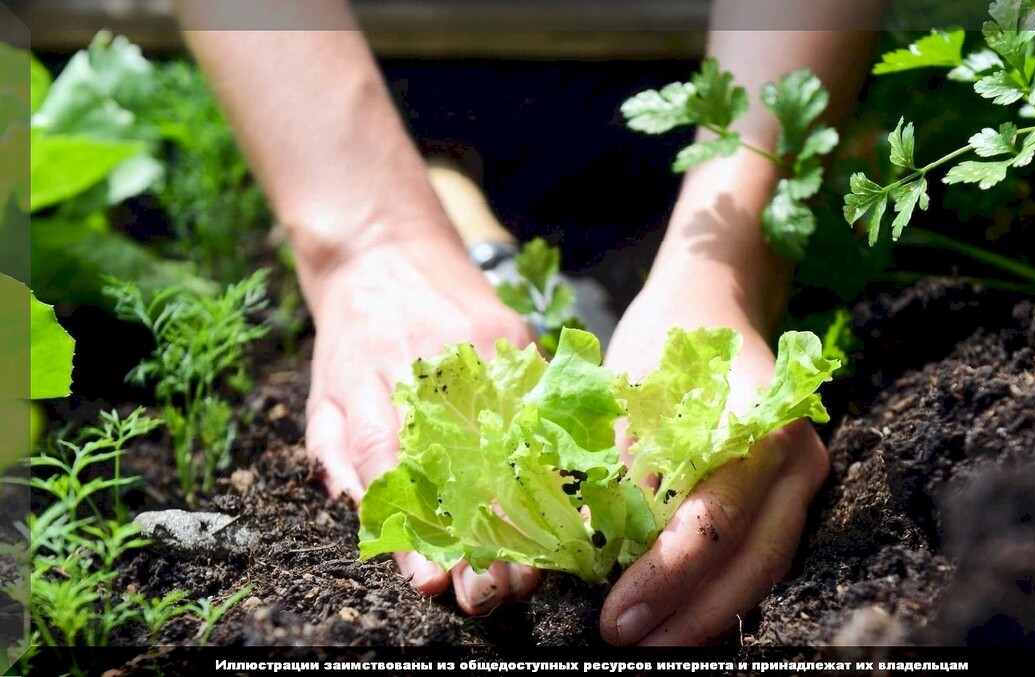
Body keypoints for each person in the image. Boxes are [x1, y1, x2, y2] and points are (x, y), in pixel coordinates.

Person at [175, 0, 884, 646]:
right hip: (320, 93)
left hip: (674, 96)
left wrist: (728, 265)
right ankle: (446, 191)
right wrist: (366, 237)